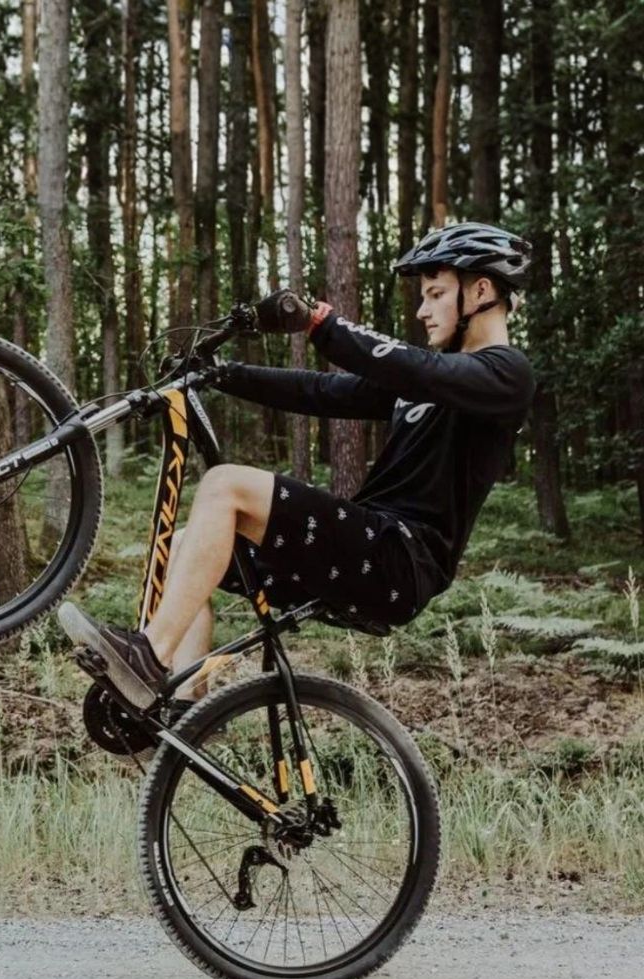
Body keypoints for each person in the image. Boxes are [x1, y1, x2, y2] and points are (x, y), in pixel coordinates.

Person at [58, 221, 538, 712]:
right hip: (367, 556)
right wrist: (222, 374)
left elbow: (415, 368)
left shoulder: (506, 375)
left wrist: (319, 322)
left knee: (225, 487)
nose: (422, 309)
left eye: (436, 294)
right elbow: (322, 391)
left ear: (481, 290)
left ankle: (149, 655)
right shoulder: (433, 381)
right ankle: (179, 710)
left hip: (400, 560)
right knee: (184, 546)